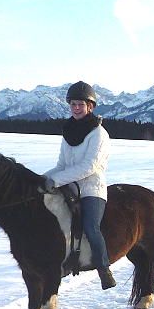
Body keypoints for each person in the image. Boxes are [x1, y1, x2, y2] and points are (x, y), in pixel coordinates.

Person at [43, 81, 116, 290]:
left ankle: (104, 269)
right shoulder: (68, 133)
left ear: (90, 107)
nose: (76, 108)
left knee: (91, 227)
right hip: (69, 186)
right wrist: (39, 180)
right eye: (73, 104)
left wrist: (56, 180)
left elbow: (90, 166)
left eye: (80, 105)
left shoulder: (99, 134)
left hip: (92, 189)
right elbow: (62, 165)